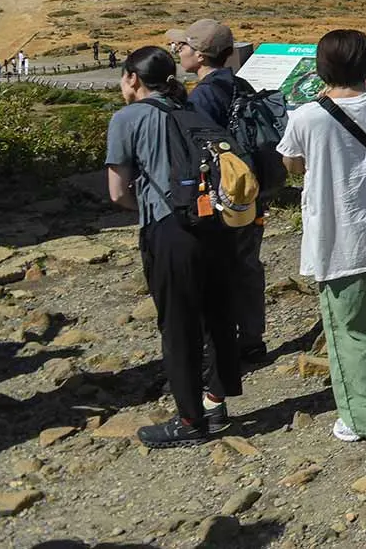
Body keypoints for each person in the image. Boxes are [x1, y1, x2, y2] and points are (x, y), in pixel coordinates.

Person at [276, 29, 366, 444]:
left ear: (321, 69)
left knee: (353, 327)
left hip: (342, 231)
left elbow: (291, 163)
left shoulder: (307, 116)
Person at [104, 47, 246, 447]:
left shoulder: (127, 118)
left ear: (132, 78)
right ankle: (216, 404)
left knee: (178, 324)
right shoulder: (192, 110)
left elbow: (117, 192)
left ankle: (188, 421)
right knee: (218, 313)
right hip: (216, 223)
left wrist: (148, 206)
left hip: (170, 230)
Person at [169, 18, 269, 364]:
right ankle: (253, 338)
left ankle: (222, 344)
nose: (177, 51)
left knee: (216, 268)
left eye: (180, 46)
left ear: (198, 55)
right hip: (250, 191)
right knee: (247, 264)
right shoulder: (240, 85)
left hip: (219, 197)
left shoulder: (204, 96)